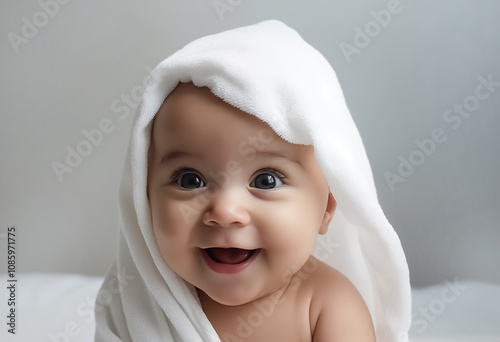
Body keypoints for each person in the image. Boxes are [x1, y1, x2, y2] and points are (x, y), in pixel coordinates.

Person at [95, 20, 411, 342]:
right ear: (145, 199)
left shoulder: (326, 306)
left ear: (326, 207)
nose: (225, 210)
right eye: (190, 180)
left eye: (266, 180)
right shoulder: (139, 302)